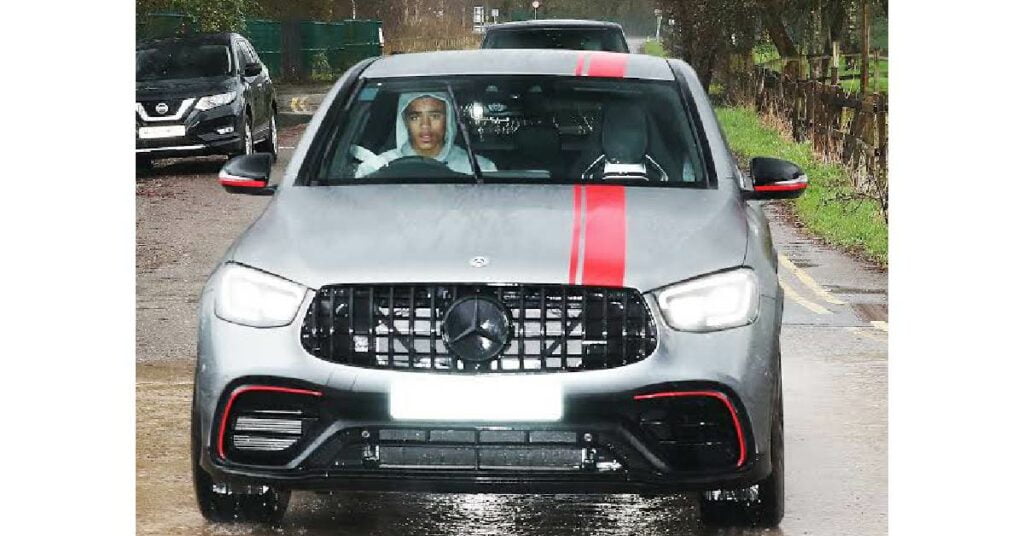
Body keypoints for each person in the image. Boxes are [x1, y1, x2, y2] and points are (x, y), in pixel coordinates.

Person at [354, 92, 496, 177]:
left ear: (448, 119)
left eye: (435, 116)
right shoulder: (376, 168)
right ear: (404, 121)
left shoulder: (479, 169)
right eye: (415, 117)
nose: (425, 125)